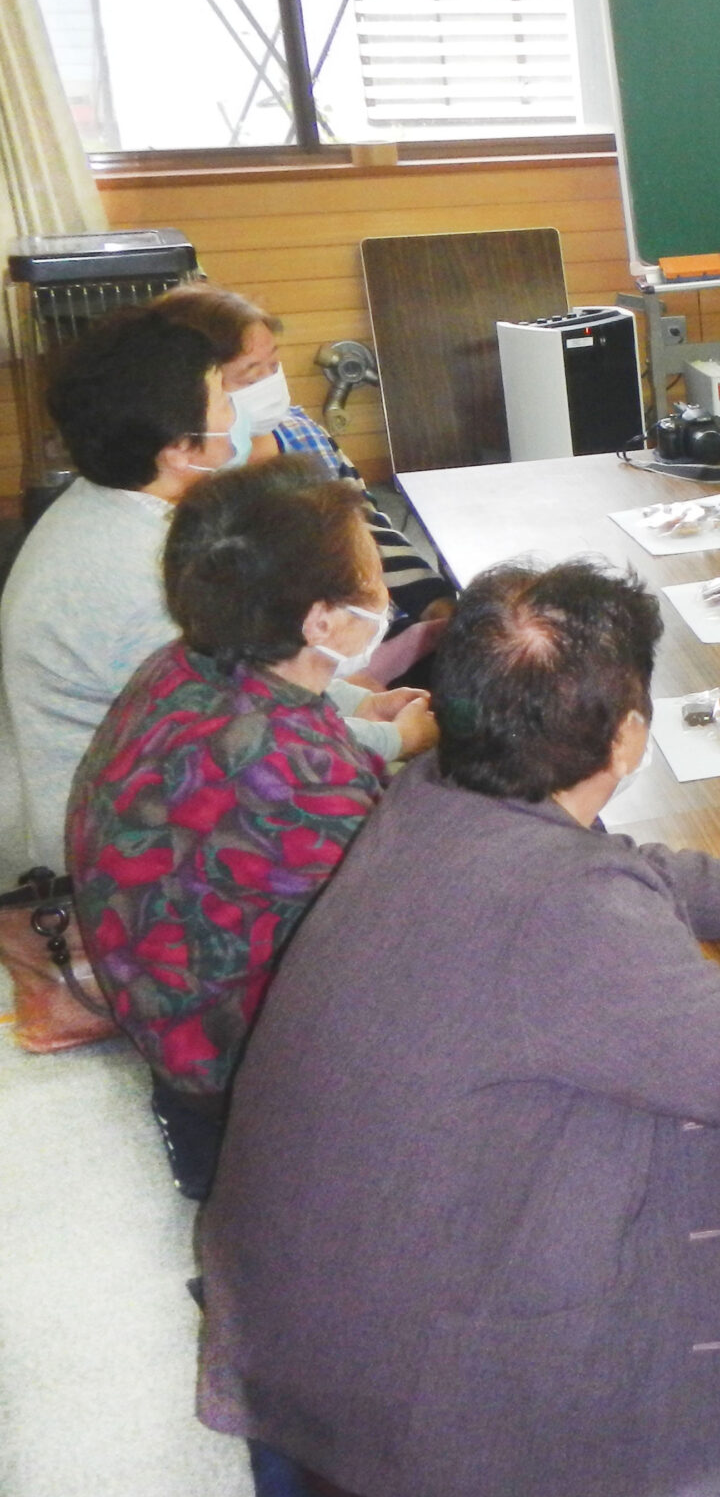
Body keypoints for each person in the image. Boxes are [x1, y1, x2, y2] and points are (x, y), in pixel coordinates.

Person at [197, 559, 720, 1497]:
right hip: (426, 1404)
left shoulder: (430, 794)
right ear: (627, 738)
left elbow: (615, 863)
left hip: (324, 1321)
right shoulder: (570, 909)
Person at [65, 461, 428, 1201]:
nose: (383, 590)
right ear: (320, 621)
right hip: (233, 1086)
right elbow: (414, 937)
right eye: (370, 571)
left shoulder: (186, 665)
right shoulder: (296, 770)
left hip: (166, 1018)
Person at [0, 313, 409, 872]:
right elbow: (246, 729)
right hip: (101, 839)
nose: (237, 413)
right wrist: (391, 739)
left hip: (125, 782)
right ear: (176, 447)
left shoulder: (112, 506)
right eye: (224, 399)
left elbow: (244, 677)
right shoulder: (145, 571)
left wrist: (363, 703)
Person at [151, 284, 457, 628]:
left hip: (367, 625)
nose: (269, 383)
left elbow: (365, 524)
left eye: (274, 365)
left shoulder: (302, 433)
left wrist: (432, 601)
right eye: (251, 373)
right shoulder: (188, 471)